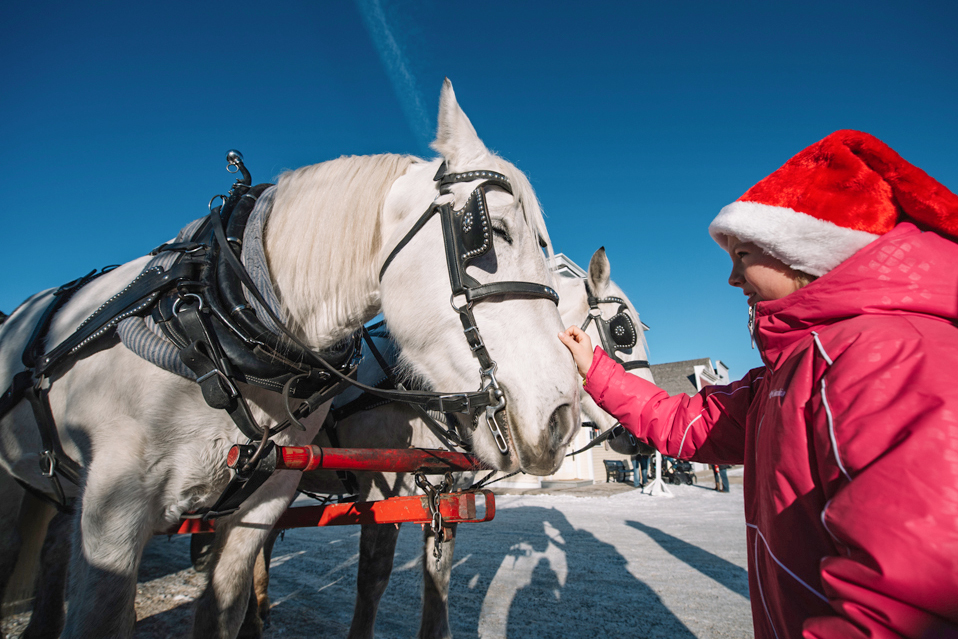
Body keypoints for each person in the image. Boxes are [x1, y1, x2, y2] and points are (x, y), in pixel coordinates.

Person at [558, 130, 958, 639]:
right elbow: (686, 423)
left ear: (800, 251)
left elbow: (905, 602)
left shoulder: (893, 356)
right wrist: (594, 365)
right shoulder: (789, 369)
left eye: (742, 255)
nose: (731, 278)